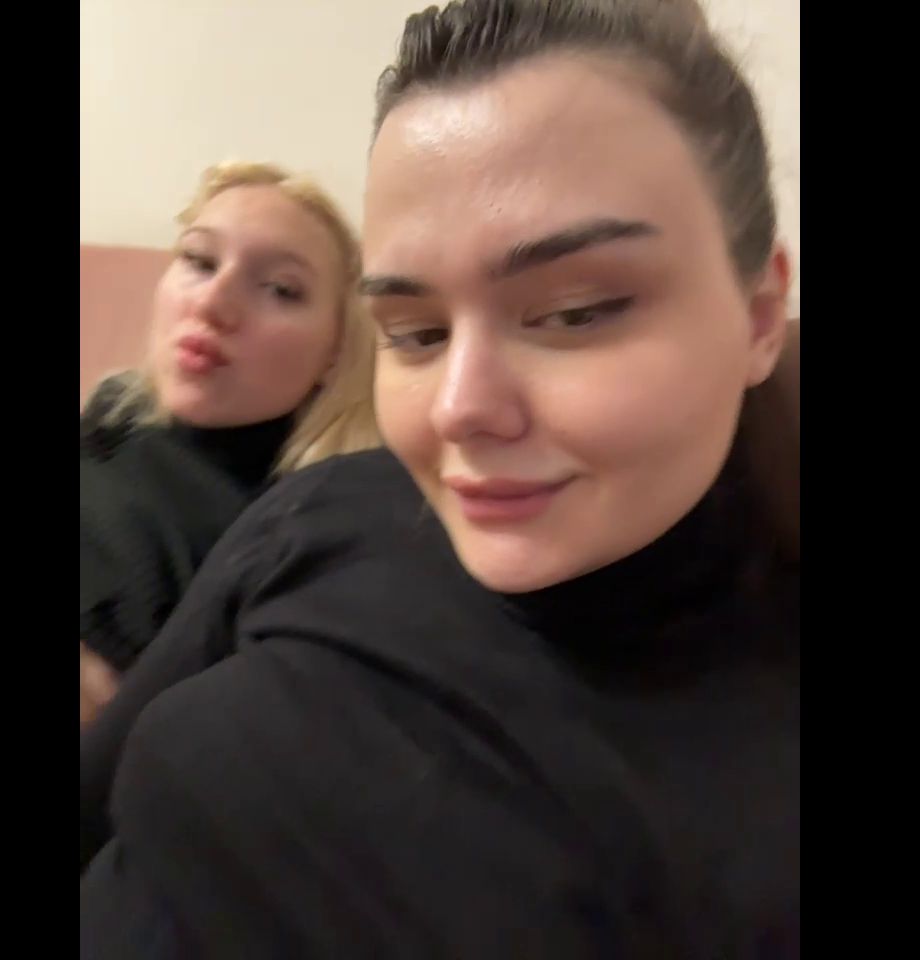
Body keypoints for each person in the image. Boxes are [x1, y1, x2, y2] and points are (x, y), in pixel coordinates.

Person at [80, 1, 800, 956]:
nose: (460, 407)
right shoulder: (323, 514)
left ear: (760, 315)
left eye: (576, 312)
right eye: (416, 333)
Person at [79, 161, 379, 724]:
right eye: (199, 260)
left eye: (281, 289)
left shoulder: (315, 524)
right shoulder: (112, 412)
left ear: (335, 352)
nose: (212, 303)